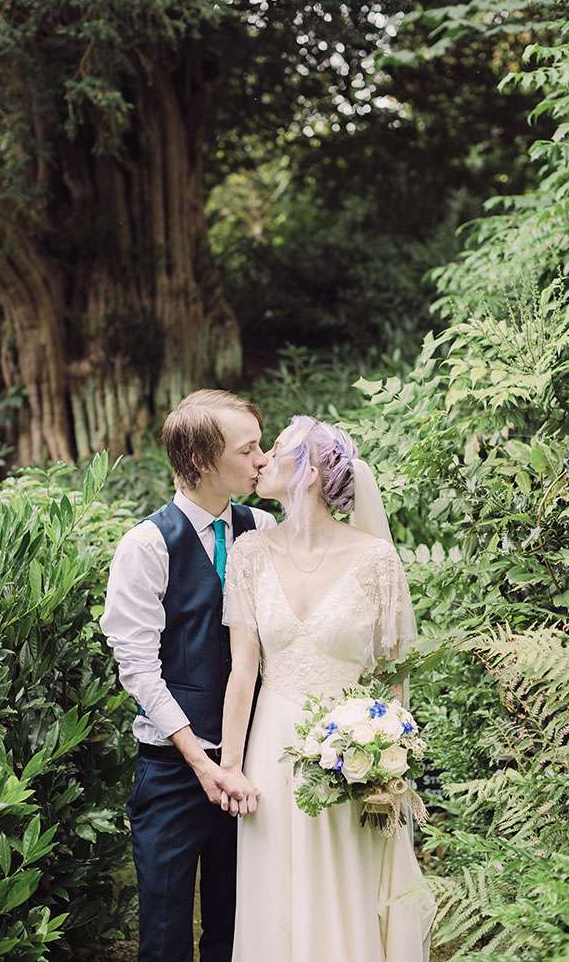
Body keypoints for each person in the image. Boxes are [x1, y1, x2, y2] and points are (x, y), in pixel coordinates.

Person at [218, 415, 437, 962]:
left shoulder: (375, 559)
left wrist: (386, 764)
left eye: (276, 449)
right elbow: (242, 670)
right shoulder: (249, 553)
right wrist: (231, 766)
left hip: (349, 753)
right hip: (271, 746)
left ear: (310, 473)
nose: (262, 459)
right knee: (275, 888)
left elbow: (392, 677)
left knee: (345, 882)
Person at [100, 389, 274, 962]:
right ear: (200, 461)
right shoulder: (146, 545)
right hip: (173, 771)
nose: (261, 460)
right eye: (247, 449)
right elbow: (139, 669)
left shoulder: (262, 528)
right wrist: (201, 761)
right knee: (166, 930)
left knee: (238, 925)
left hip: (253, 764)